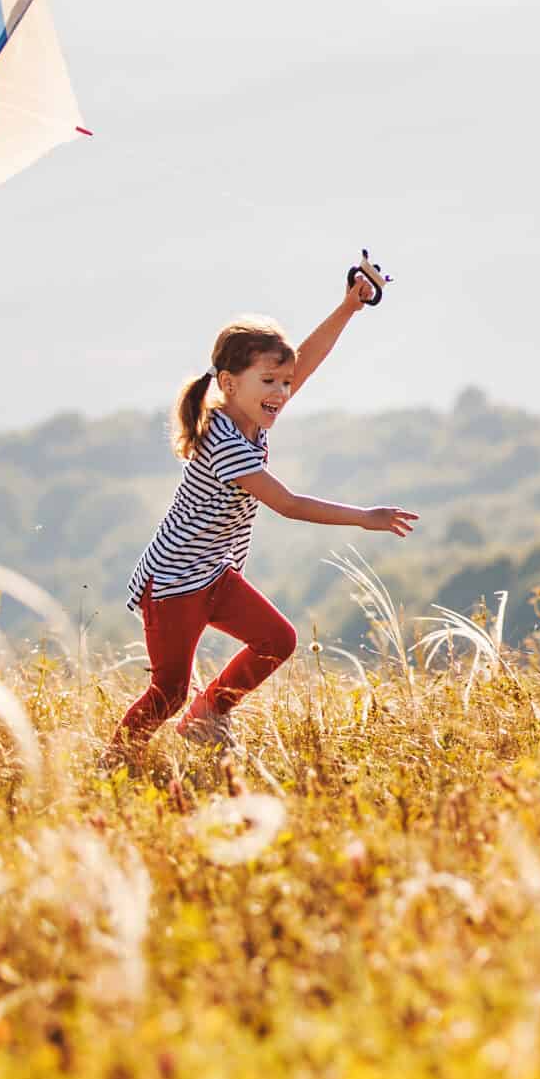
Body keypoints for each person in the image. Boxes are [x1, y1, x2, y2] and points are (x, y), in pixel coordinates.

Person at [106, 265, 416, 760]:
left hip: (213, 574)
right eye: (269, 380)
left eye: (285, 382)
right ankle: (116, 759)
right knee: (167, 693)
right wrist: (365, 517)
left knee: (276, 640)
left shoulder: (252, 415)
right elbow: (287, 504)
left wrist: (348, 307)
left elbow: (306, 361)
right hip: (173, 584)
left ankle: (208, 715)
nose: (282, 392)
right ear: (229, 383)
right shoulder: (226, 441)